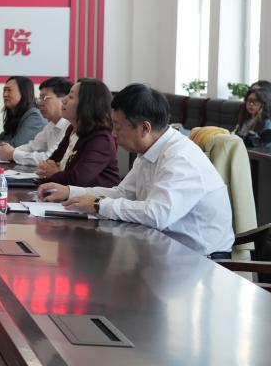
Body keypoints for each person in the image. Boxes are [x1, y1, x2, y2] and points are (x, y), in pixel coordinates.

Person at [42, 83, 234, 257]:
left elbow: (157, 214)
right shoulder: (150, 151)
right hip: (164, 249)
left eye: (118, 127)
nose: (114, 134)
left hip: (200, 261)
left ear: (144, 128)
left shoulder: (180, 158)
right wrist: (69, 192)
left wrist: (98, 204)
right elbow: (122, 193)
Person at [35, 78, 120, 187]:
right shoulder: (72, 129)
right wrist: (50, 169)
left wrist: (55, 173)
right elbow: (51, 161)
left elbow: (77, 180)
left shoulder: (101, 139)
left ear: (87, 104)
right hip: (65, 194)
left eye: (71, 97)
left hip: (96, 197)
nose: (64, 100)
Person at [0, 77, 72, 166]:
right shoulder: (51, 125)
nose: (40, 103)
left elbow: (50, 158)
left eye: (45, 97)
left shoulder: (70, 126)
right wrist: (10, 152)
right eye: (40, 98)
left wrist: (13, 154)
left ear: (64, 99)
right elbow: (32, 146)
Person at [0, 76, 47, 149]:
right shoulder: (16, 112)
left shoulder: (34, 116)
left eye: (9, 90)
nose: (5, 94)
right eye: (4, 90)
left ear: (23, 93)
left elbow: (16, 146)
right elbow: (5, 136)